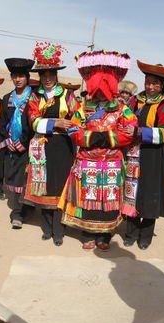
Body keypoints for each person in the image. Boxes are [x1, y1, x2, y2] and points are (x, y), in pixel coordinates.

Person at [58, 50, 136, 250]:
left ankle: (105, 235)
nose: (100, 92)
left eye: (105, 86)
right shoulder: (83, 107)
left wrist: (107, 138)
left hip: (111, 163)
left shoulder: (121, 108)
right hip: (87, 160)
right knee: (88, 197)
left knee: (108, 199)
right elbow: (73, 128)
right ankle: (88, 233)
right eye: (97, 87)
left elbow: (129, 131)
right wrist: (91, 137)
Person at [22, 42, 79, 246]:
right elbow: (33, 120)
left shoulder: (67, 95)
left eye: (51, 75)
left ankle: (59, 230)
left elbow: (78, 116)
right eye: (43, 75)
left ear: (56, 75)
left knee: (59, 185)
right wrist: (55, 122)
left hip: (63, 147)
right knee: (43, 185)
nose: (47, 79)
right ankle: (46, 227)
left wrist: (71, 124)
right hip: (42, 145)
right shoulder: (35, 96)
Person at [122, 60, 164, 250]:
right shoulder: (134, 100)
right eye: (148, 82)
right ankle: (130, 232)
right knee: (130, 192)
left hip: (152, 155)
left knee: (148, 193)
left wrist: (140, 132)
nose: (150, 87)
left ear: (161, 85)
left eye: (155, 83)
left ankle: (145, 235)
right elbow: (124, 119)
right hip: (132, 153)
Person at [0, 58, 36, 228]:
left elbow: (34, 124)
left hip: (30, 146)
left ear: (27, 77)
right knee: (16, 180)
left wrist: (23, 143)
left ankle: (22, 211)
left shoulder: (34, 97)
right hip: (12, 147)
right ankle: (17, 212)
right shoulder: (7, 98)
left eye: (21, 76)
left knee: (28, 179)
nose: (18, 79)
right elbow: (2, 123)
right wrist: (9, 142)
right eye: (15, 76)